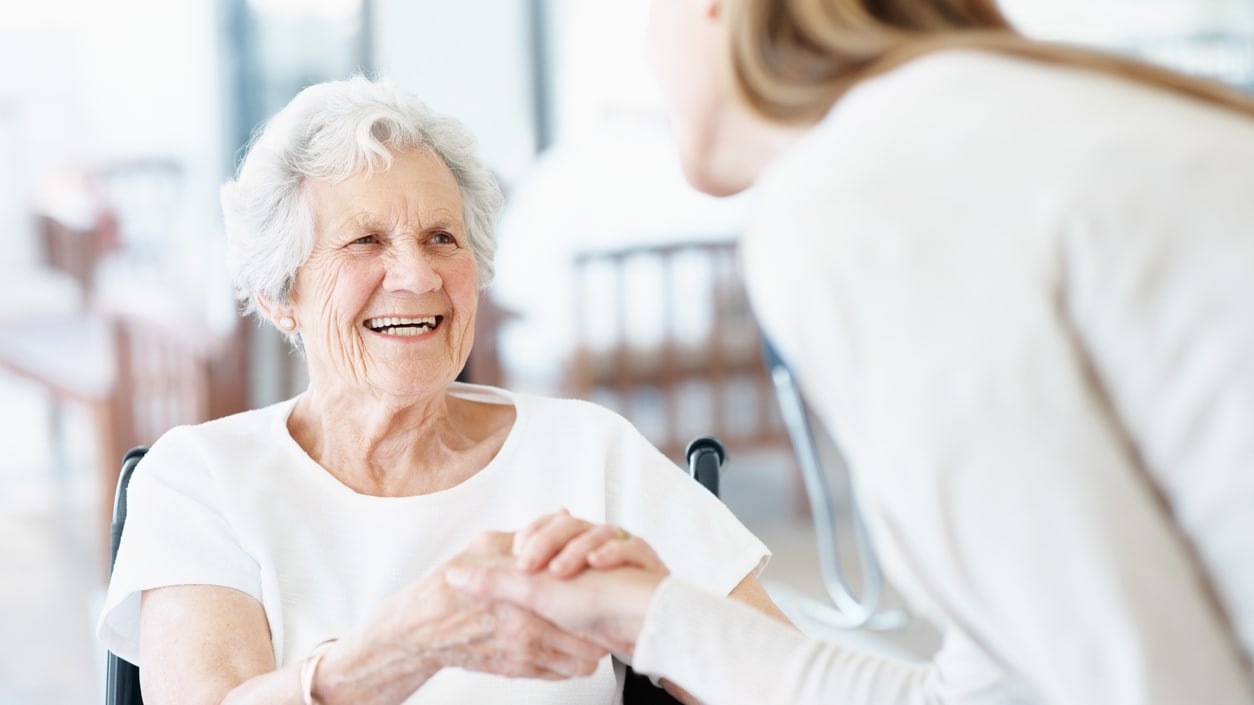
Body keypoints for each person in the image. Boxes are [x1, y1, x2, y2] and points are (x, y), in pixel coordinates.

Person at [445, 1, 1254, 703]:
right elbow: (992, 690)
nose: (645, 53)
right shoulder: (1030, 117)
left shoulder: (863, 190)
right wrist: (645, 614)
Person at [96, 75, 787, 705]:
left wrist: (664, 624)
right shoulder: (201, 479)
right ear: (280, 295)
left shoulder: (588, 450)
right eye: (365, 240)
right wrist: (404, 648)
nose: (417, 277)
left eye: (440, 237)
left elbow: (786, 683)